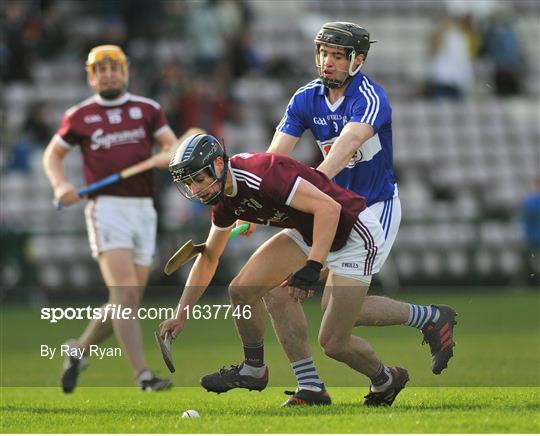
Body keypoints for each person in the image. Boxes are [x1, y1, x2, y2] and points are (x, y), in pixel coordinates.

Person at [236, 22, 457, 405]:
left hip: (370, 212)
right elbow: (274, 158)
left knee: (334, 333)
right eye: (323, 53)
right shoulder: (306, 98)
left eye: (338, 55)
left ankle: (427, 321)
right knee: (271, 288)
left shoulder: (370, 97)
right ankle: (310, 387)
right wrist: (254, 200)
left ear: (358, 60)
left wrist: (313, 188)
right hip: (324, 209)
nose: (328, 61)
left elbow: (349, 141)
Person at [160, 133, 410, 408]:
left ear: (219, 163)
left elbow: (329, 209)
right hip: (308, 232)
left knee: (333, 343)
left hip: (353, 232)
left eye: (199, 179)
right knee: (242, 291)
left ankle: (387, 378)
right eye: (189, 183)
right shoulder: (222, 201)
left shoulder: (262, 174)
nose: (196, 190)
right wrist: (180, 315)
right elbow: (209, 258)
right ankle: (262, 371)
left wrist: (312, 266)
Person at [43, 45, 180, 393]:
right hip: (106, 208)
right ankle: (143, 376)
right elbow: (52, 156)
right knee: (124, 296)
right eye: (100, 69)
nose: (107, 74)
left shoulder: (148, 110)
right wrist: (61, 186)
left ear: (125, 71)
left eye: (113, 67)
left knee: (127, 300)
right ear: (91, 76)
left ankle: (78, 350)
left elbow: (172, 147)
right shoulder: (80, 115)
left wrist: (168, 156)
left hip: (143, 211)